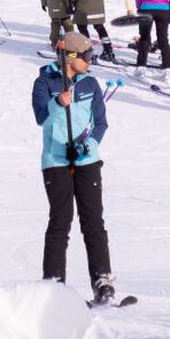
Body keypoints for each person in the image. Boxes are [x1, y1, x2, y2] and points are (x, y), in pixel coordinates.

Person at [30, 32, 117, 304]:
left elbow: (101, 123)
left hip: (86, 161)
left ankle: (102, 279)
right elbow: (42, 118)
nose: (91, 62)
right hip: (56, 162)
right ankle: (54, 283)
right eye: (86, 57)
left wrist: (89, 145)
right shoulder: (44, 82)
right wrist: (58, 103)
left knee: (93, 221)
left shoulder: (90, 83)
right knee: (60, 220)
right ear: (70, 57)